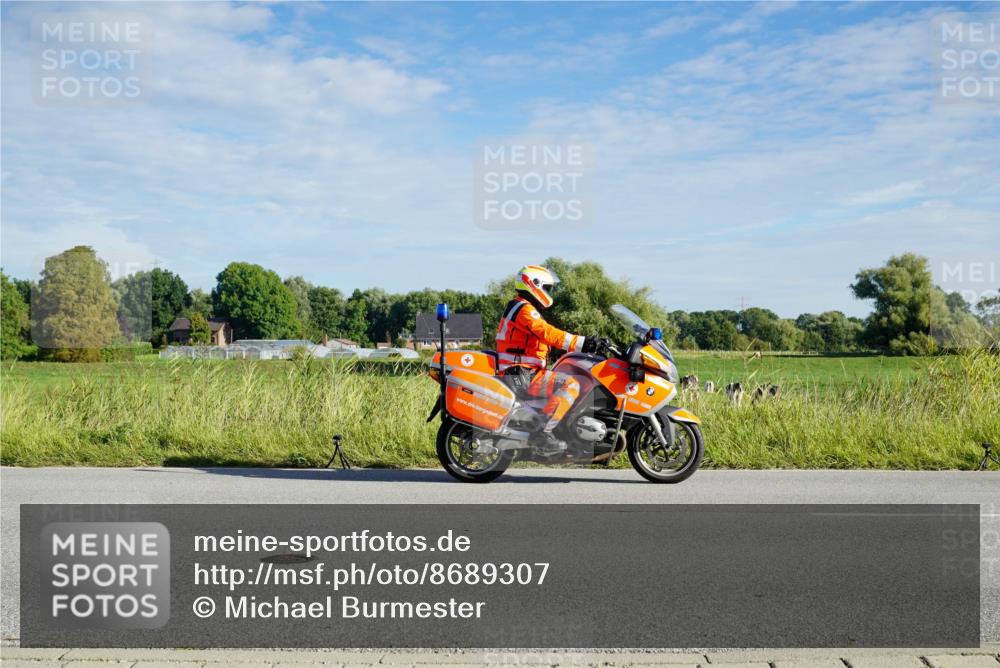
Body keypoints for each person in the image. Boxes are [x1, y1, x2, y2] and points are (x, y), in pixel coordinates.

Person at [495, 265, 599, 453]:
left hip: (522, 370)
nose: (548, 292)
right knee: (571, 385)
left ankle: (560, 429)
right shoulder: (524, 309)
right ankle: (542, 432)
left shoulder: (519, 306)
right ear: (534, 284)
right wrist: (582, 343)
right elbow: (547, 333)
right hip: (522, 373)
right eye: (547, 288)